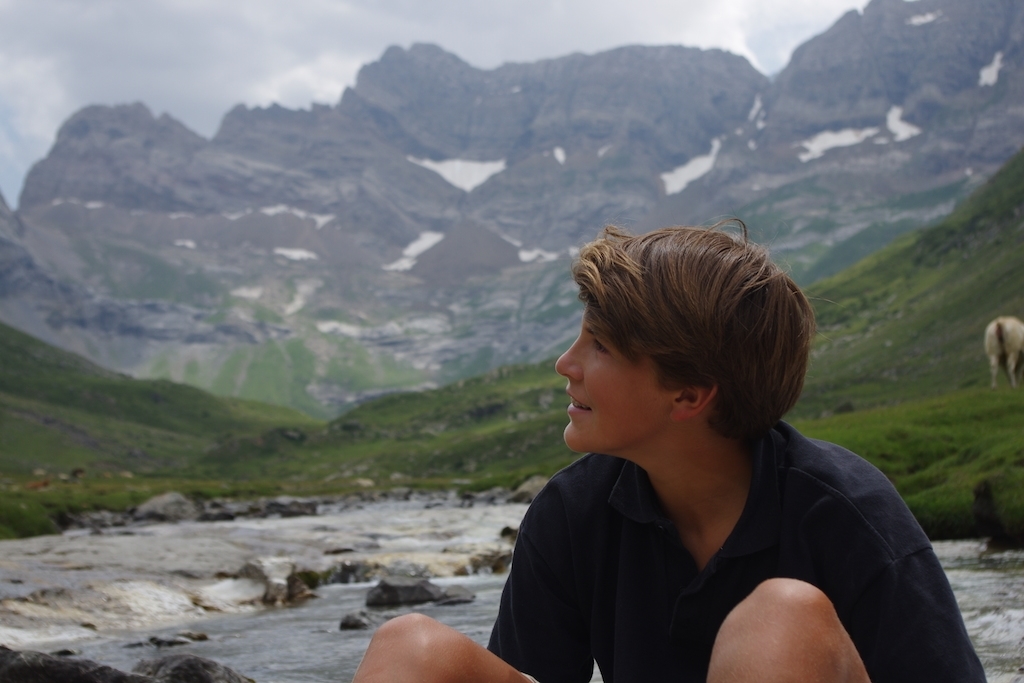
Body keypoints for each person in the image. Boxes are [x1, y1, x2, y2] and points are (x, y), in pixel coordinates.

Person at [352, 222, 985, 683]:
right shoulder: (570, 511)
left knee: (780, 619)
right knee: (412, 648)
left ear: (688, 395)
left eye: (599, 346)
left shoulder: (848, 512)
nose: (565, 364)